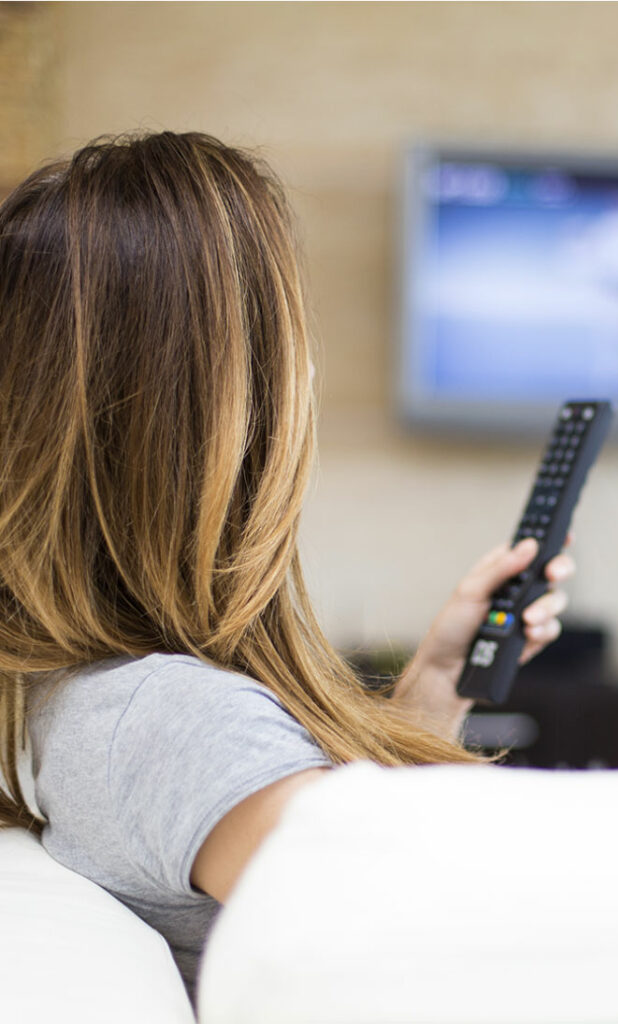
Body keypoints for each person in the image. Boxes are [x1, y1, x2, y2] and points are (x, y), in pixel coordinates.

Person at [0, 131, 573, 1008]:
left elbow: (341, 854)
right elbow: (431, 932)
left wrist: (438, 681)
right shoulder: (171, 720)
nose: (306, 370)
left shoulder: (87, 694)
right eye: (288, 341)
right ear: (228, 407)